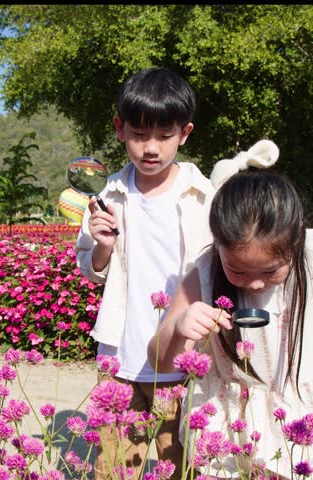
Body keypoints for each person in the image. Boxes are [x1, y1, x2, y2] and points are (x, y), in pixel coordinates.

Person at [148, 155, 313, 479]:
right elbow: (159, 362)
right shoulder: (201, 276)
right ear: (218, 244)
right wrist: (179, 329)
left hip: (301, 413)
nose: (254, 283)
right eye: (237, 269)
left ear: (296, 242)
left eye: (271, 271)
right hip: (225, 419)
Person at [74, 67, 216, 480]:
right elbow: (91, 271)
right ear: (120, 129)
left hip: (184, 360)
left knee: (180, 466)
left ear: (184, 133)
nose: (150, 148)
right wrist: (102, 246)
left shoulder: (204, 196)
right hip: (120, 356)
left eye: (164, 135)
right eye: (138, 134)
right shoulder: (107, 196)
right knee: (114, 466)